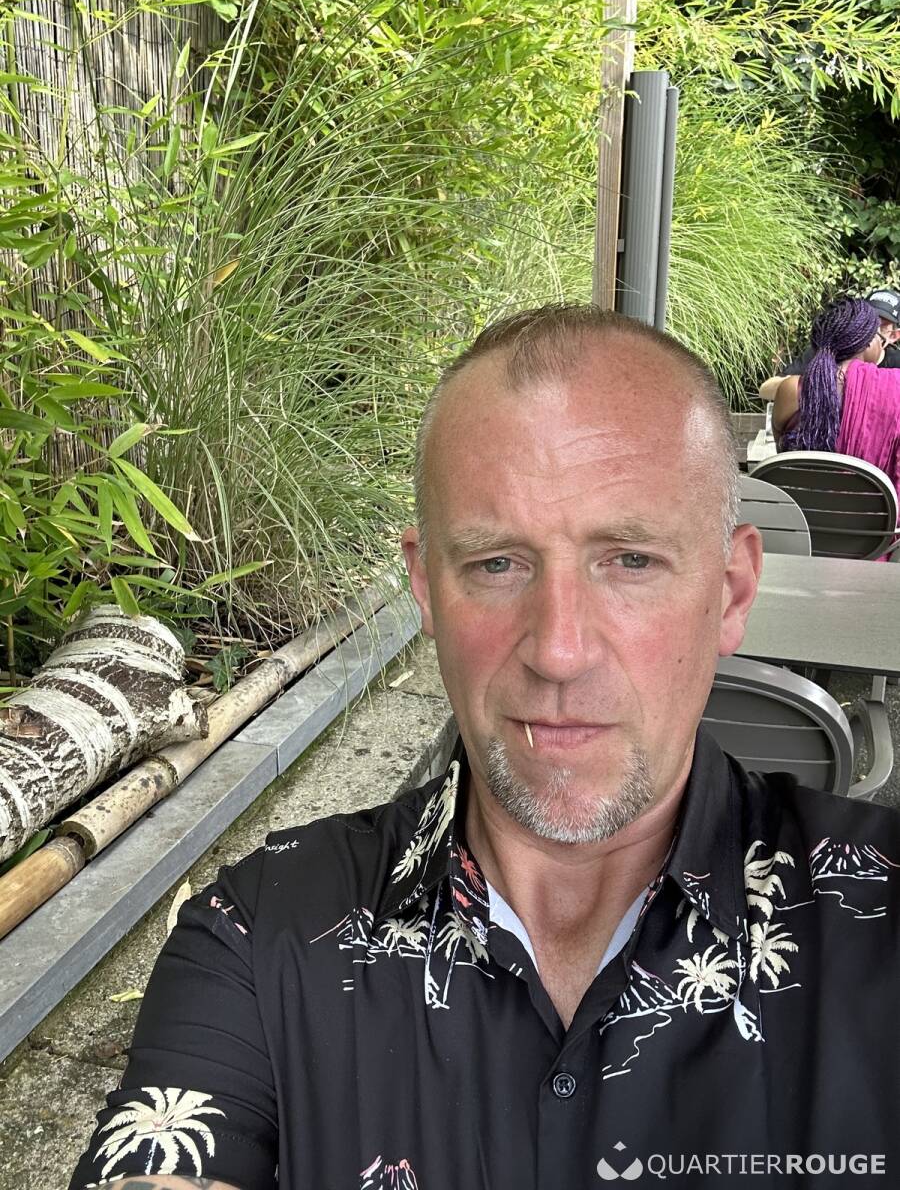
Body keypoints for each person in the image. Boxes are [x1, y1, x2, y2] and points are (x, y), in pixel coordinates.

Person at [70, 306, 900, 1190]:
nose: (559, 650)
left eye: (630, 560)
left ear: (730, 592)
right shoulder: (258, 936)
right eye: (497, 563)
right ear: (427, 588)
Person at [772, 296, 900, 497]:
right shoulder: (895, 387)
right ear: (867, 343)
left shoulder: (791, 389)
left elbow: (783, 459)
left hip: (801, 512)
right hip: (875, 515)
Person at [759, 287, 900, 403]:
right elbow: (766, 389)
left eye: (882, 325)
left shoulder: (896, 364)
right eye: (868, 320)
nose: (872, 330)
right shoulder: (826, 352)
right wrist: (819, 381)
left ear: (894, 335)